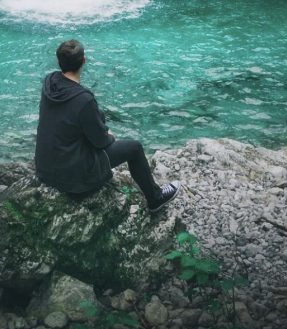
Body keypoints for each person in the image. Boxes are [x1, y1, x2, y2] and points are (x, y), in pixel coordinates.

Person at [34, 38, 181, 213]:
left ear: (59, 62)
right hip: (73, 177)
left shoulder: (49, 83)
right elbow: (100, 142)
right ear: (84, 61)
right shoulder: (83, 99)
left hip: (45, 168)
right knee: (134, 148)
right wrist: (109, 135)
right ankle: (155, 199)